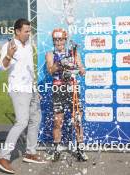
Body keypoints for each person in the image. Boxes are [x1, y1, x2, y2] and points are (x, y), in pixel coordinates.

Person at [0, 18, 46, 174]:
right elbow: (0, 68)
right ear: (17, 31)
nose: (29, 34)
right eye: (26, 31)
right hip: (18, 89)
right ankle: (3, 158)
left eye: (30, 31)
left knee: (35, 119)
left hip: (30, 89)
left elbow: (30, 69)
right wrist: (9, 55)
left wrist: (35, 89)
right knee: (22, 122)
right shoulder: (9, 46)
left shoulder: (29, 46)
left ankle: (31, 152)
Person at [45, 28, 88, 162]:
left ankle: (80, 149)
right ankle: (57, 149)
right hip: (58, 89)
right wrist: (60, 64)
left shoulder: (73, 53)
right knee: (58, 121)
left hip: (72, 89)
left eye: (61, 39)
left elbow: (82, 70)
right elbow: (51, 70)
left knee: (77, 120)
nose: (58, 42)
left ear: (65, 40)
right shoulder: (50, 54)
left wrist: (78, 70)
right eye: (55, 40)